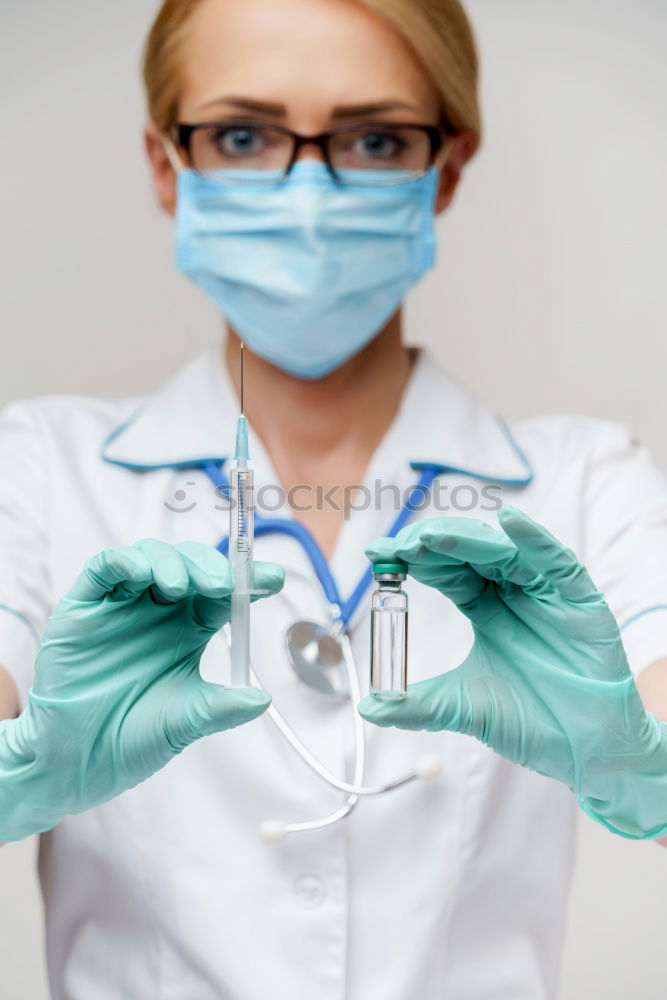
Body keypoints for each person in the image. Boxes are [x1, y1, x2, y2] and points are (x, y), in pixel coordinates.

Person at [1, 0, 666, 997]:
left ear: (442, 170)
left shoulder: (587, 483)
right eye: (240, 134)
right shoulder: (38, 467)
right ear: (163, 164)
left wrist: (641, 762)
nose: (307, 191)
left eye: (372, 138)